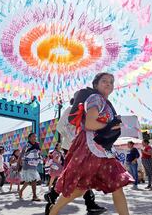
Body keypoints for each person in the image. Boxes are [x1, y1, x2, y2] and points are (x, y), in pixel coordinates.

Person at [48, 72, 133, 215]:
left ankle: (53, 210)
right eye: (104, 81)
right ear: (95, 85)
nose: (108, 84)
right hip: (90, 148)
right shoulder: (95, 98)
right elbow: (90, 123)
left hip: (103, 149)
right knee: (79, 189)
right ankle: (53, 211)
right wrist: (109, 125)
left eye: (111, 82)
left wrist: (113, 126)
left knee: (117, 184)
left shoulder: (105, 103)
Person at [45, 98, 106, 214]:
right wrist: (73, 139)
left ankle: (89, 203)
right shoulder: (69, 110)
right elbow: (60, 127)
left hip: (81, 146)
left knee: (84, 174)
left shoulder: (86, 113)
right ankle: (52, 195)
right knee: (72, 174)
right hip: (71, 146)